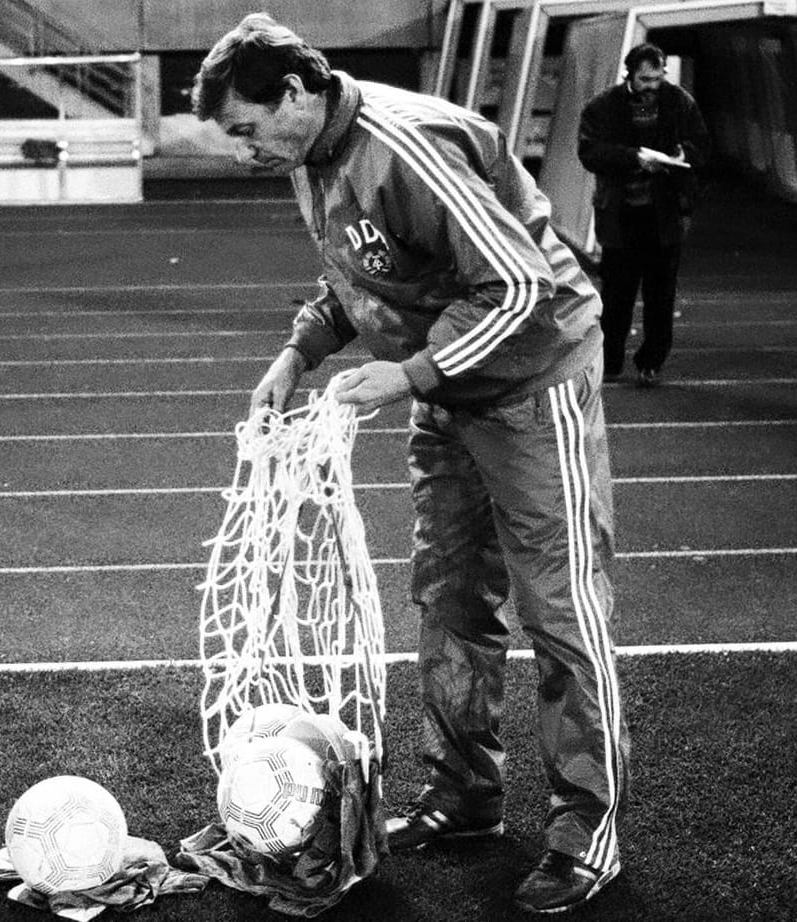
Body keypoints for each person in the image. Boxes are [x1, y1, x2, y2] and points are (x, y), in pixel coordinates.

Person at [193, 15, 629, 915]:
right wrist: (300, 351)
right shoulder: (314, 157)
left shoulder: (403, 145)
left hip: (529, 381)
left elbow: (517, 284)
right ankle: (465, 795)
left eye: (243, 129)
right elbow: (364, 274)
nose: (240, 153)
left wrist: (409, 373)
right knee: (448, 596)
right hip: (448, 387)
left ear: (295, 94)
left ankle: (588, 825)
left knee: (559, 607)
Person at [579, 43, 709, 388]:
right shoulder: (602, 107)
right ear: (629, 75)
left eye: (657, 78)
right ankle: (610, 360)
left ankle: (652, 359)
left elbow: (701, 144)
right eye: (645, 79)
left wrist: (684, 153)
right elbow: (590, 152)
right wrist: (634, 157)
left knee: (660, 292)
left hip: (664, 212)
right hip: (621, 214)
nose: (652, 85)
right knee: (617, 293)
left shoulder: (679, 102)